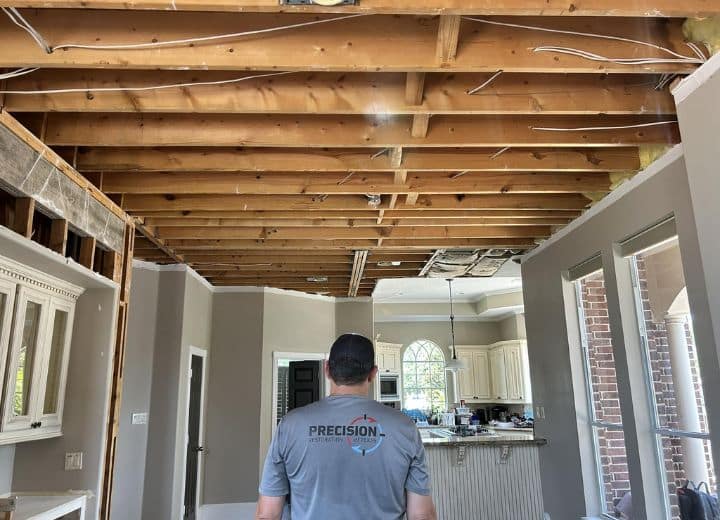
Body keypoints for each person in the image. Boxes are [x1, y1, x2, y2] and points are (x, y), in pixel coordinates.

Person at [256, 333, 437, 520]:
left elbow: (267, 515)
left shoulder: (290, 426)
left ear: (327, 369)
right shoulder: (405, 428)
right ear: (373, 373)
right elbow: (421, 516)